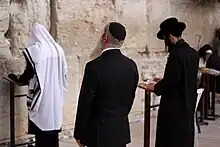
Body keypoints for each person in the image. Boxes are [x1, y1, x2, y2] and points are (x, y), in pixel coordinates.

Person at [74, 22, 139, 147]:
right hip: (120, 132)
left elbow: (85, 103)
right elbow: (130, 99)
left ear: (105, 37)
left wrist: (79, 133)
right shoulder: (131, 66)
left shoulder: (94, 66)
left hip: (98, 134)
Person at [8, 23, 68, 147]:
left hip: (43, 96)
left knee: (42, 130)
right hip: (56, 95)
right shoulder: (58, 49)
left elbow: (30, 73)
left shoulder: (38, 50)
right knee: (52, 131)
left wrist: (17, 79)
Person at [147, 17, 199, 147]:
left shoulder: (176, 54)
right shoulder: (193, 53)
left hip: (174, 109)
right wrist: (163, 81)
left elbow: (171, 83)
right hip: (188, 105)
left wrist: (155, 87)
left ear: (169, 36)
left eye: (165, 39)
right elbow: (184, 77)